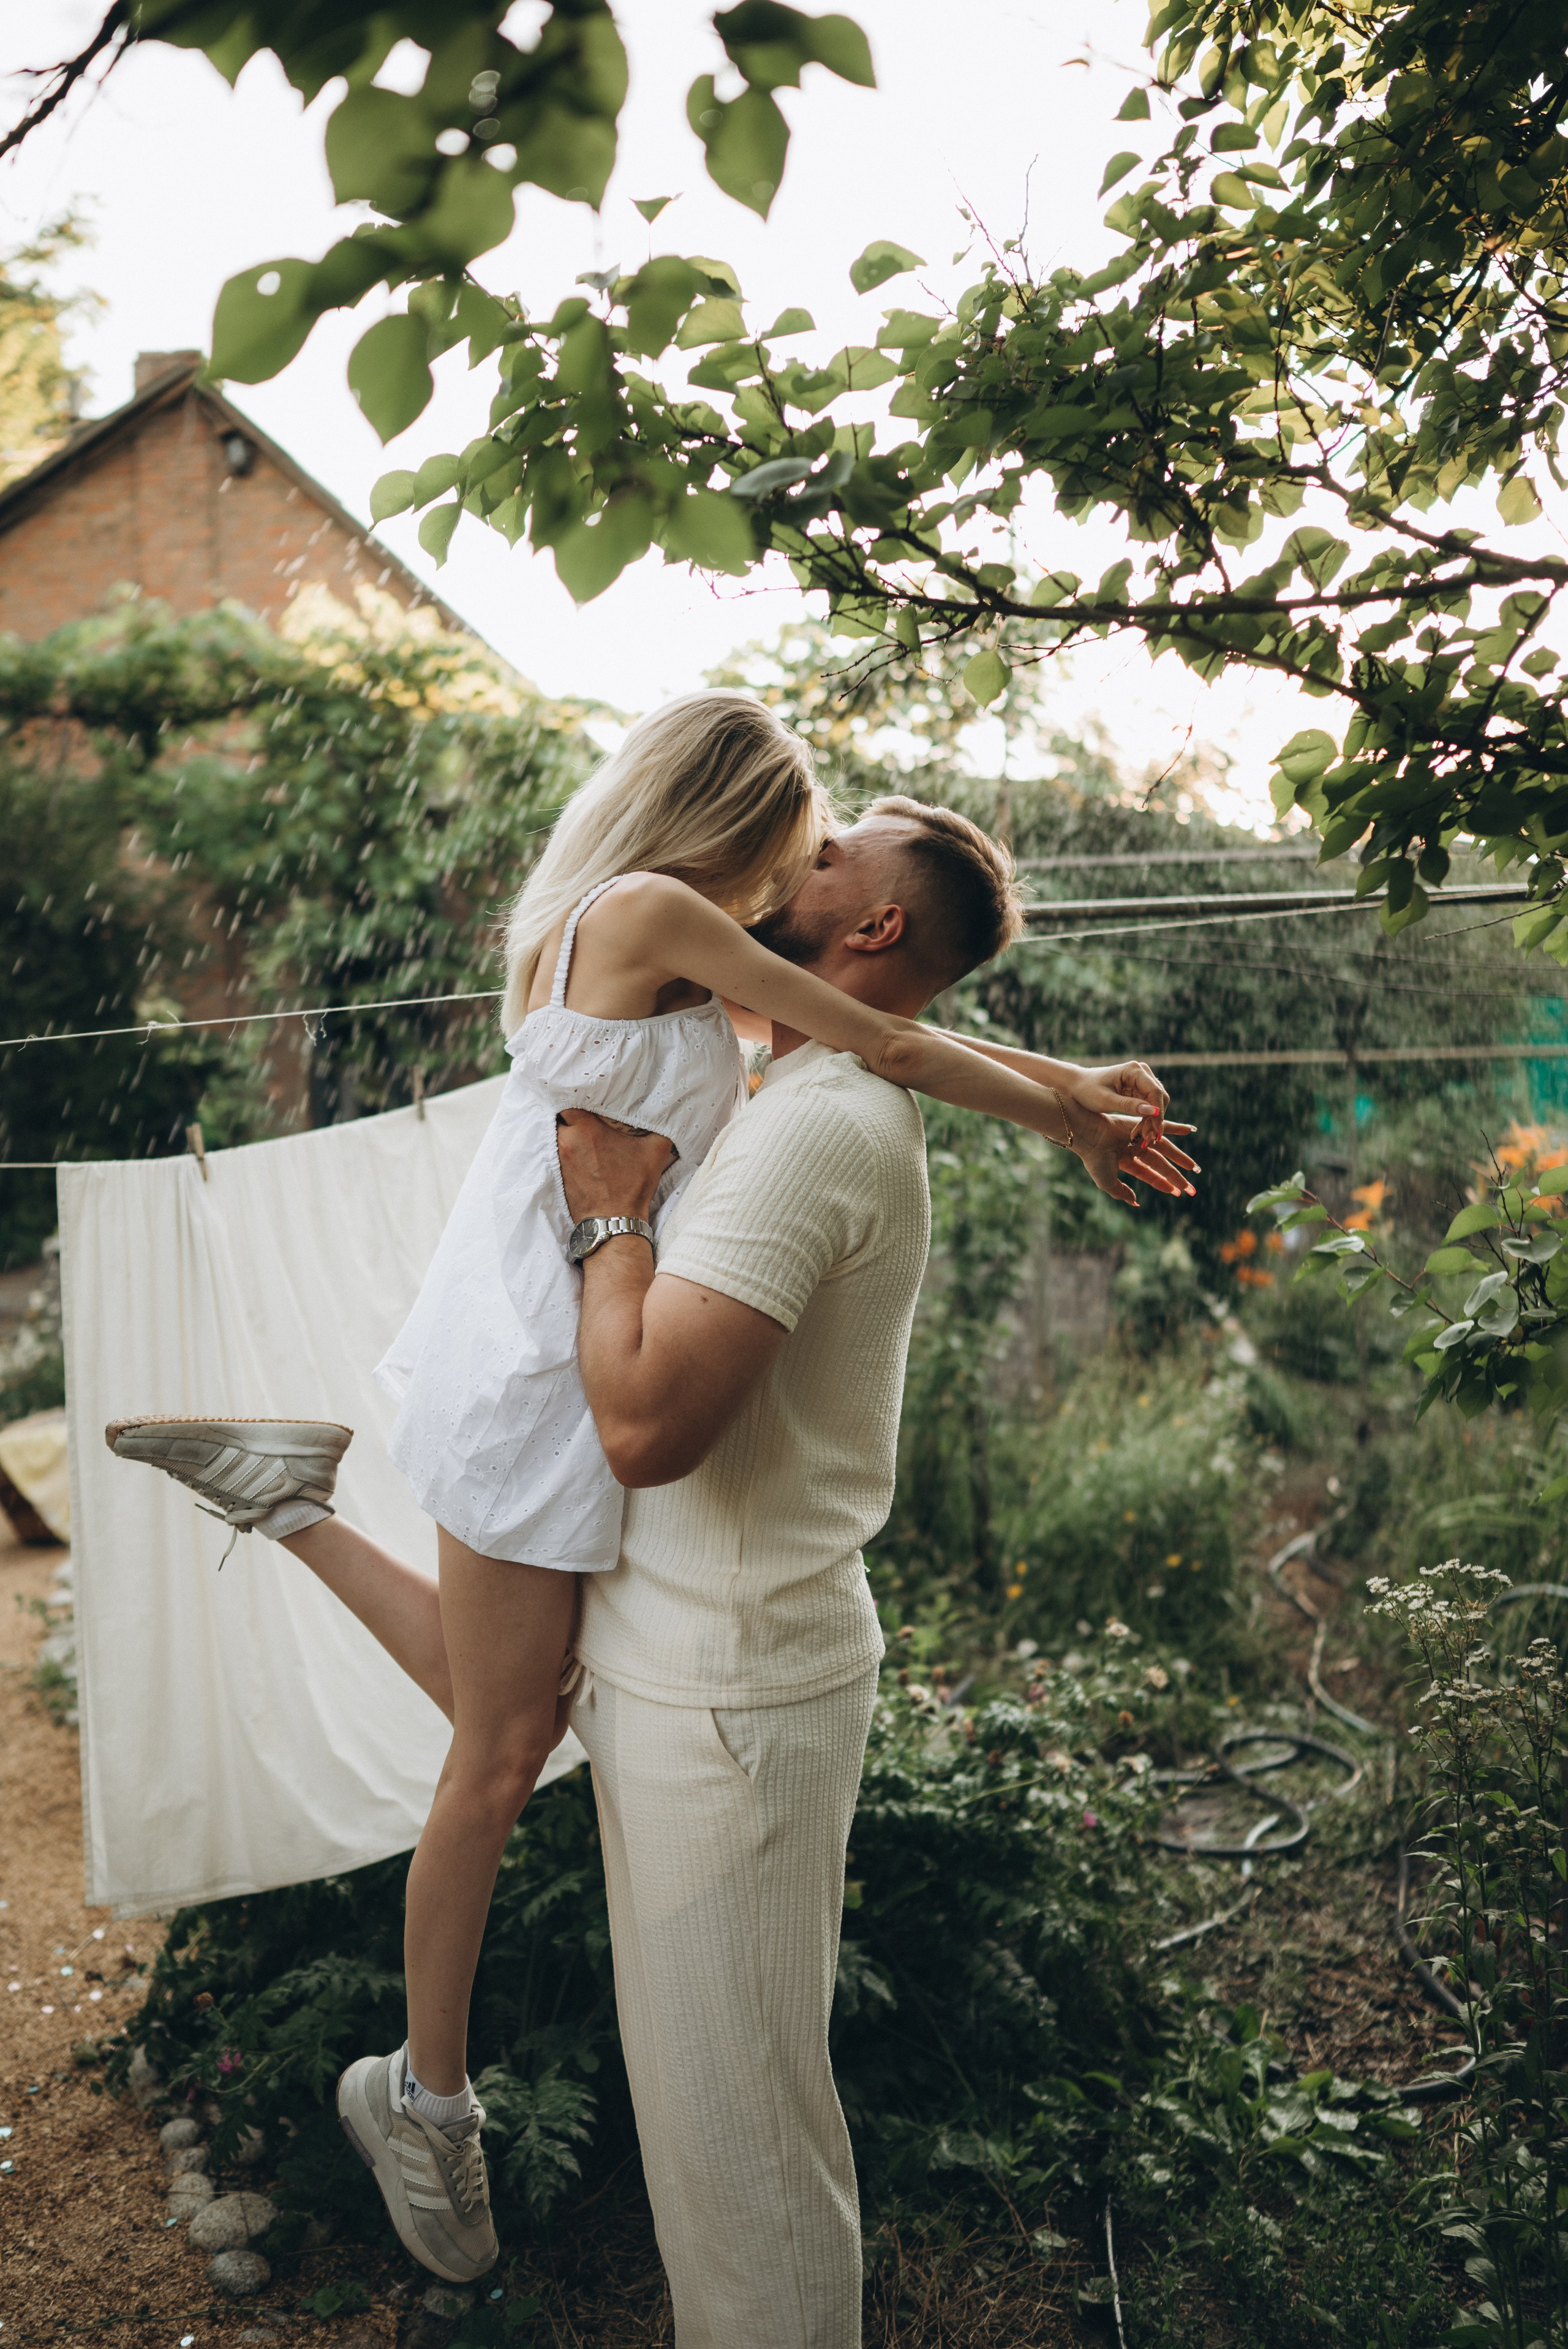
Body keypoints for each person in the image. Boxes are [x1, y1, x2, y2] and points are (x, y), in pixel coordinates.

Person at [105, 695, 1197, 2300]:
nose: (807, 862)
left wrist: (1066, 1079)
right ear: (741, 817)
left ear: (872, 913)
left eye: (835, 854)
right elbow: (887, 1036)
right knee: (496, 1749)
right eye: (806, 834)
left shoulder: (701, 966)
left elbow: (882, 1030)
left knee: (513, 1706)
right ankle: (424, 2097)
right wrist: (1063, 1108)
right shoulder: (653, 918)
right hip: (540, 1363)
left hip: (552, 1351)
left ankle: (287, 1504)